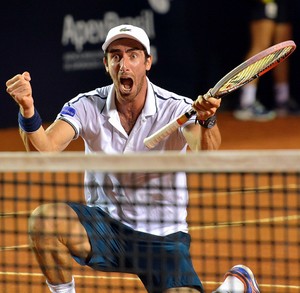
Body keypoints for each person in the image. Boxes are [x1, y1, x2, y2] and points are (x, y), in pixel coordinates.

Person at [6, 24, 260, 293]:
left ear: (147, 62)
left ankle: (235, 287)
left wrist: (207, 120)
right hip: (105, 228)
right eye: (115, 56)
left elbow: (206, 155)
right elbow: (42, 153)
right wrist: (28, 109)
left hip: (162, 238)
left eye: (133, 55)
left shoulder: (176, 106)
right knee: (44, 221)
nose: (123, 64)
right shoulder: (86, 105)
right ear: (106, 64)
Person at [234, 0, 298, 121]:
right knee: (260, 47)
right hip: (266, 2)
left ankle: (282, 101)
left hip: (282, 4)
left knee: (283, 50)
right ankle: (246, 102)